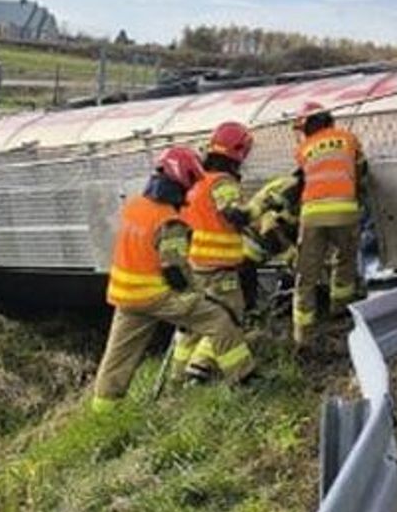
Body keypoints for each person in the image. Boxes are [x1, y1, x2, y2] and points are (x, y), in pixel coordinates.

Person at [90, 147, 256, 413]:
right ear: (182, 181)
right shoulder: (169, 221)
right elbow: (175, 272)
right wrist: (198, 295)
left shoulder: (134, 206)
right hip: (156, 296)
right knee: (219, 319)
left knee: (118, 357)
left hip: (125, 297)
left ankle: (103, 413)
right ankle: (244, 379)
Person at [171, 122, 265, 381]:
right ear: (239, 151)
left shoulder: (195, 182)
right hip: (218, 266)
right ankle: (201, 369)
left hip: (194, 264)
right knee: (227, 316)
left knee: (192, 323)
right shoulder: (223, 182)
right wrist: (261, 205)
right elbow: (235, 215)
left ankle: (177, 375)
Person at [291, 108, 366, 348]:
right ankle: (340, 309)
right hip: (344, 211)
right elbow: (362, 169)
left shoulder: (303, 150)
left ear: (309, 126)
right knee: (345, 259)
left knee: (307, 273)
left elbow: (301, 179)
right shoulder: (348, 139)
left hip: (312, 214)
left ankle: (303, 332)